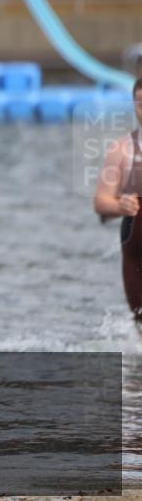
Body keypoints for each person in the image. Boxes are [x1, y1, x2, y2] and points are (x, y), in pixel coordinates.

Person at [93, 76, 142, 322]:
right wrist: (119, 205)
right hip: (137, 253)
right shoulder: (121, 150)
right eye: (141, 103)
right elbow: (101, 202)